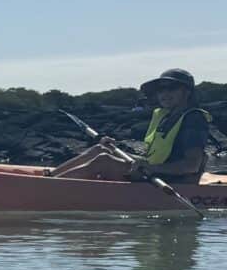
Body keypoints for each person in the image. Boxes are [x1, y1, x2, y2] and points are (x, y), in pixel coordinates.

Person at [51, 69, 214, 185]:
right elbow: (154, 155)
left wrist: (151, 168)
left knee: (104, 161)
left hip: (172, 180)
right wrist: (118, 147)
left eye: (171, 88)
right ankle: (50, 177)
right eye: (160, 89)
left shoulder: (194, 119)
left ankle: (49, 189)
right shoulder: (165, 116)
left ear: (187, 92)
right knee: (100, 150)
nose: (164, 93)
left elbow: (191, 165)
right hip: (154, 171)